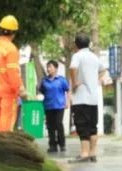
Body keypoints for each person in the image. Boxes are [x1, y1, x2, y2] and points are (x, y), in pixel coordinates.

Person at [69, 34, 103, 163]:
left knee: (82, 126)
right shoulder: (94, 57)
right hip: (93, 98)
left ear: (76, 45)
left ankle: (84, 153)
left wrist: (74, 82)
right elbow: (103, 70)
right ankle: (93, 153)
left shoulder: (77, 56)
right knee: (93, 126)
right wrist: (96, 81)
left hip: (81, 98)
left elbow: (73, 68)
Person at [38, 60, 71, 154]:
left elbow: (68, 90)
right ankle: (52, 145)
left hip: (59, 105)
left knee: (58, 124)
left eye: (50, 67)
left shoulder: (61, 80)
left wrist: (67, 102)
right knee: (50, 126)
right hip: (48, 106)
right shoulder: (44, 81)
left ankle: (62, 144)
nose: (48, 69)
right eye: (47, 67)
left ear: (56, 68)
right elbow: (42, 91)